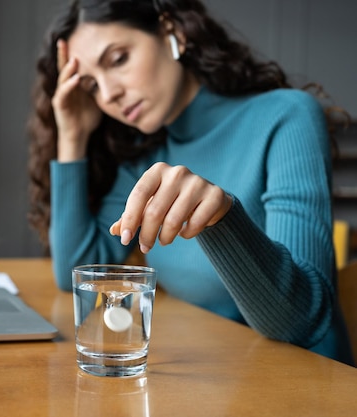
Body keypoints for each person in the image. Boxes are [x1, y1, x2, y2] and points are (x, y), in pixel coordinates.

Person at [27, 0, 354, 365]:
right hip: (211, 374)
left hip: (307, 386)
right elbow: (80, 269)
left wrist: (222, 217)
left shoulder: (286, 117)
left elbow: (301, 324)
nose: (108, 95)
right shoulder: (144, 155)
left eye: (118, 59)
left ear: (174, 32)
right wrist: (72, 136)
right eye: (91, 86)